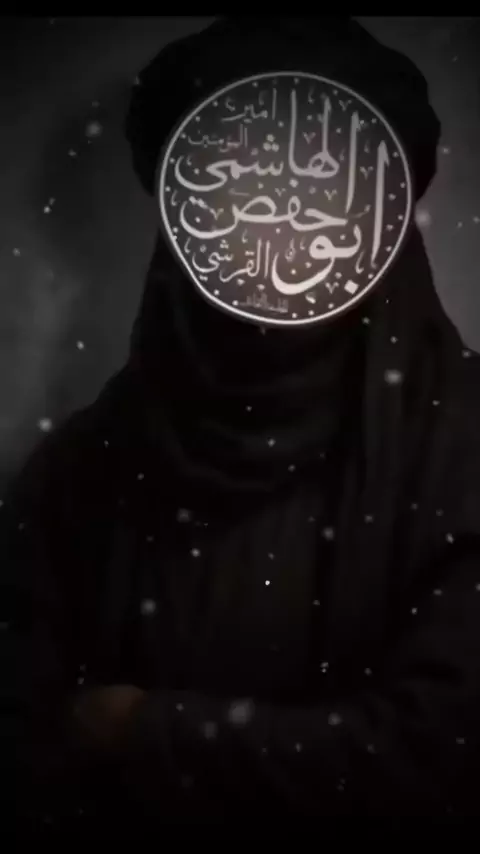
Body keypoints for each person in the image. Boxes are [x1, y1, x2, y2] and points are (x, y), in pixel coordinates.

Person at [2, 15, 480, 827]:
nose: (278, 238)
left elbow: (442, 753)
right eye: (234, 198)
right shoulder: (86, 464)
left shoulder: (462, 441)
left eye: (319, 197)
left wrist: (134, 730)